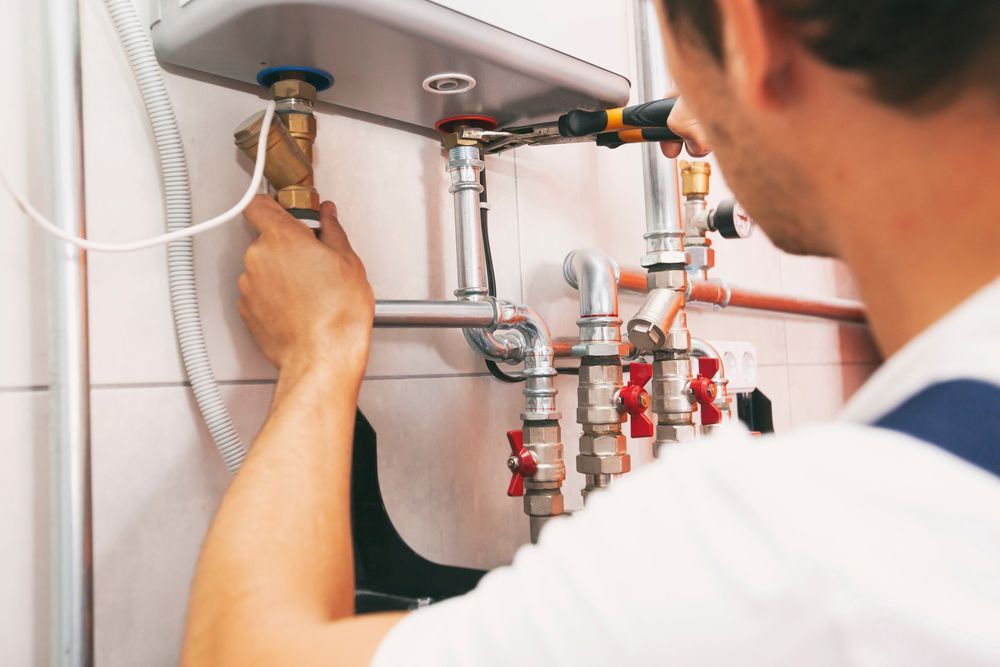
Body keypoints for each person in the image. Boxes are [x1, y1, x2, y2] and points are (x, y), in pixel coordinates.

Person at [180, 0, 1000, 665]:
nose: (684, 112)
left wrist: (323, 350)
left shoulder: (791, 553)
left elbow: (240, 652)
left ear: (749, 33)